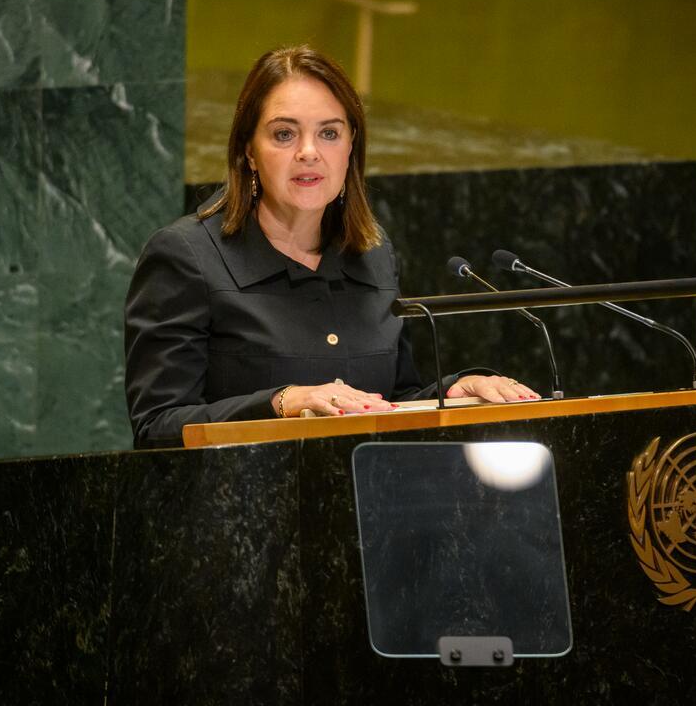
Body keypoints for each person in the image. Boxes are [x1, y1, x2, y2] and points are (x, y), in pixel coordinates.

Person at [124, 45, 538, 448]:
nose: (309, 152)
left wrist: (454, 391)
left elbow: (390, 401)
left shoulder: (373, 254)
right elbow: (157, 425)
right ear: (249, 151)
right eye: (284, 134)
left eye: (329, 133)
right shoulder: (186, 256)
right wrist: (282, 402)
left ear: (350, 145)